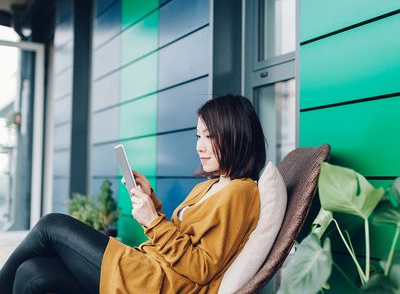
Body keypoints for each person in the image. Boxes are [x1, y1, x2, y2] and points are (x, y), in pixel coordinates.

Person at [0, 94, 266, 293]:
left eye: (208, 136)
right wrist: (152, 204)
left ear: (234, 135)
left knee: (51, 225)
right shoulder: (210, 185)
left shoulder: (241, 192)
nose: (199, 147)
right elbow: (182, 238)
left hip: (158, 284)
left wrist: (153, 221)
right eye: (198, 136)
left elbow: (202, 268)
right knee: (33, 273)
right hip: (148, 266)